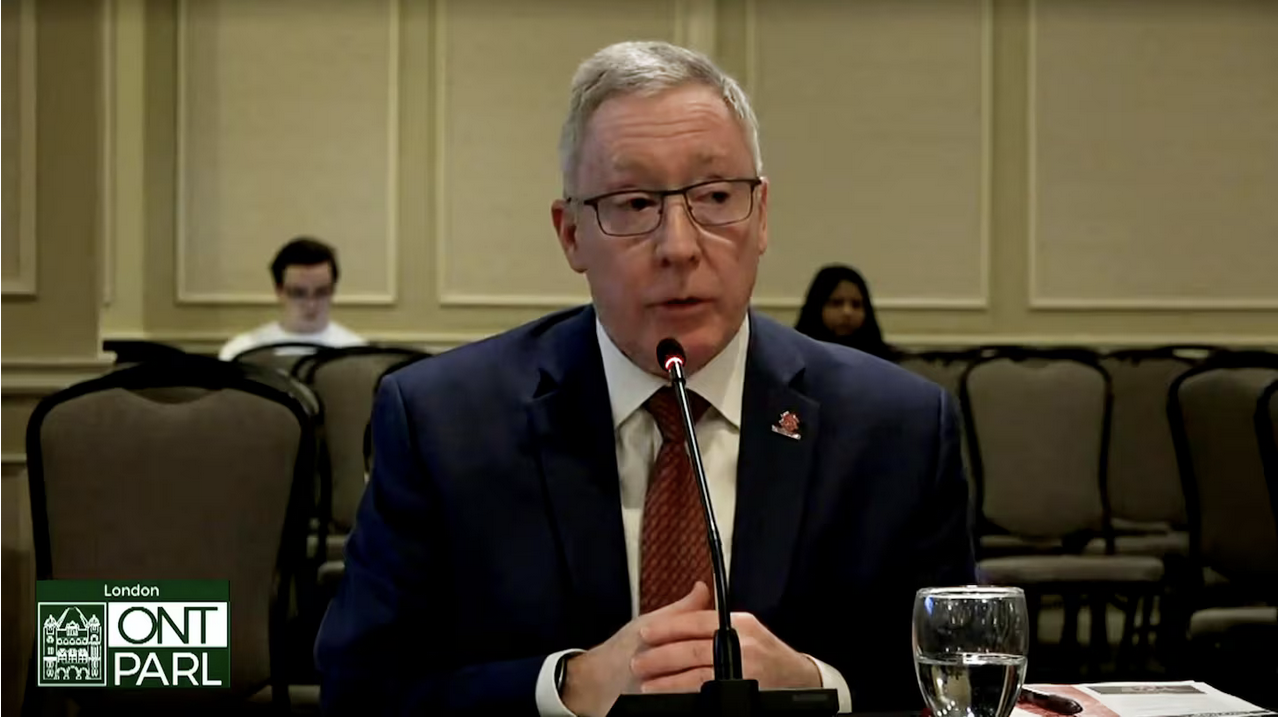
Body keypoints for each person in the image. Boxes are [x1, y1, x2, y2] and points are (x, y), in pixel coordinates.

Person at [315, 41, 973, 715]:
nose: (680, 246)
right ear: (570, 234)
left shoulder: (898, 430)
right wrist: (564, 688)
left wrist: (820, 687)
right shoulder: (441, 424)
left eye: (716, 196)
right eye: (632, 204)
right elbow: (361, 688)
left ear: (763, 215)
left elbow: (956, 688)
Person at [217, 237, 365, 361]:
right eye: (298, 293)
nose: (311, 304)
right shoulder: (241, 351)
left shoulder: (357, 352)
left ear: (333, 291)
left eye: (321, 292)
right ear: (279, 291)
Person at [795, 264, 898, 361]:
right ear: (816, 307)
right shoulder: (792, 359)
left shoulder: (888, 363)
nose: (848, 312)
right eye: (836, 303)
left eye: (856, 304)